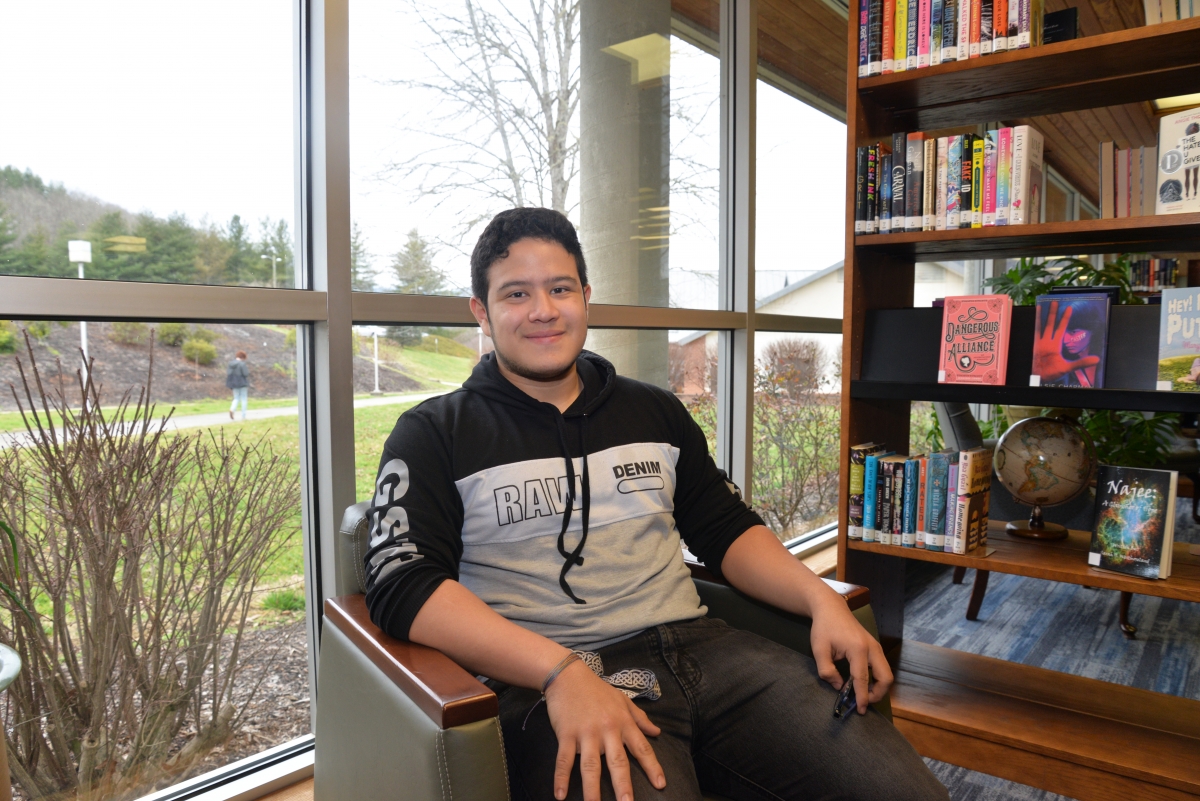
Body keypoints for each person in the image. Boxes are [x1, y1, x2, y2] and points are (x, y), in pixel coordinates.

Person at [364, 208, 947, 801]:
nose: (543, 309)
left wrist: (821, 600)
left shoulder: (655, 411)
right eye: (516, 293)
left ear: (585, 297)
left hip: (707, 651)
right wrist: (558, 671)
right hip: (548, 679)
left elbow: (724, 528)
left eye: (560, 288)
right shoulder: (433, 433)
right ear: (481, 312)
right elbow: (401, 586)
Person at [226, 351, 250, 420]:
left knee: (236, 398)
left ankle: (232, 409)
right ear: (243, 357)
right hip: (242, 383)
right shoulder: (242, 364)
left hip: (233, 383)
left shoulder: (230, 364)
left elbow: (228, 373)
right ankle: (243, 416)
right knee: (244, 398)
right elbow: (246, 373)